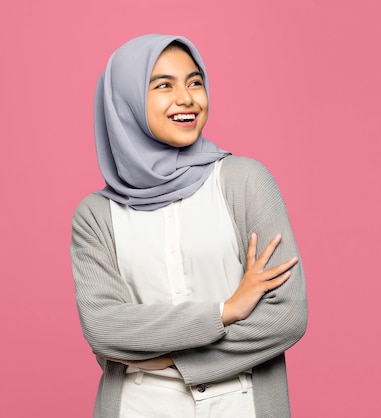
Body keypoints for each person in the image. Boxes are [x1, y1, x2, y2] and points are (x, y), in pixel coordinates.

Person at [70, 34, 307, 418]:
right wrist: (225, 311)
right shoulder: (96, 215)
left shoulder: (244, 181)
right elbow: (104, 328)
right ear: (124, 101)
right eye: (164, 85)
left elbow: (285, 317)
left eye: (195, 82)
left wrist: (168, 361)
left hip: (241, 405)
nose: (187, 98)